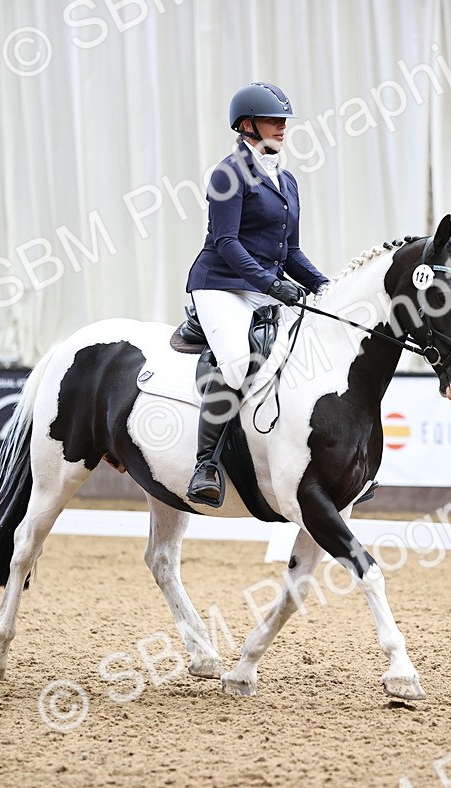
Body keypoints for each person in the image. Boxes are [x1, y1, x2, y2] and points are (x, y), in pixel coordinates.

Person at [184, 82, 329, 507]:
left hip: (263, 286)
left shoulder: (287, 181)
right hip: (220, 284)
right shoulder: (228, 174)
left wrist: (324, 285)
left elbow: (292, 251)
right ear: (247, 125)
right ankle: (205, 465)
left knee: (307, 355)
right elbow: (227, 242)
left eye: (284, 121)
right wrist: (271, 284)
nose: (282, 128)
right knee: (237, 364)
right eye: (273, 120)